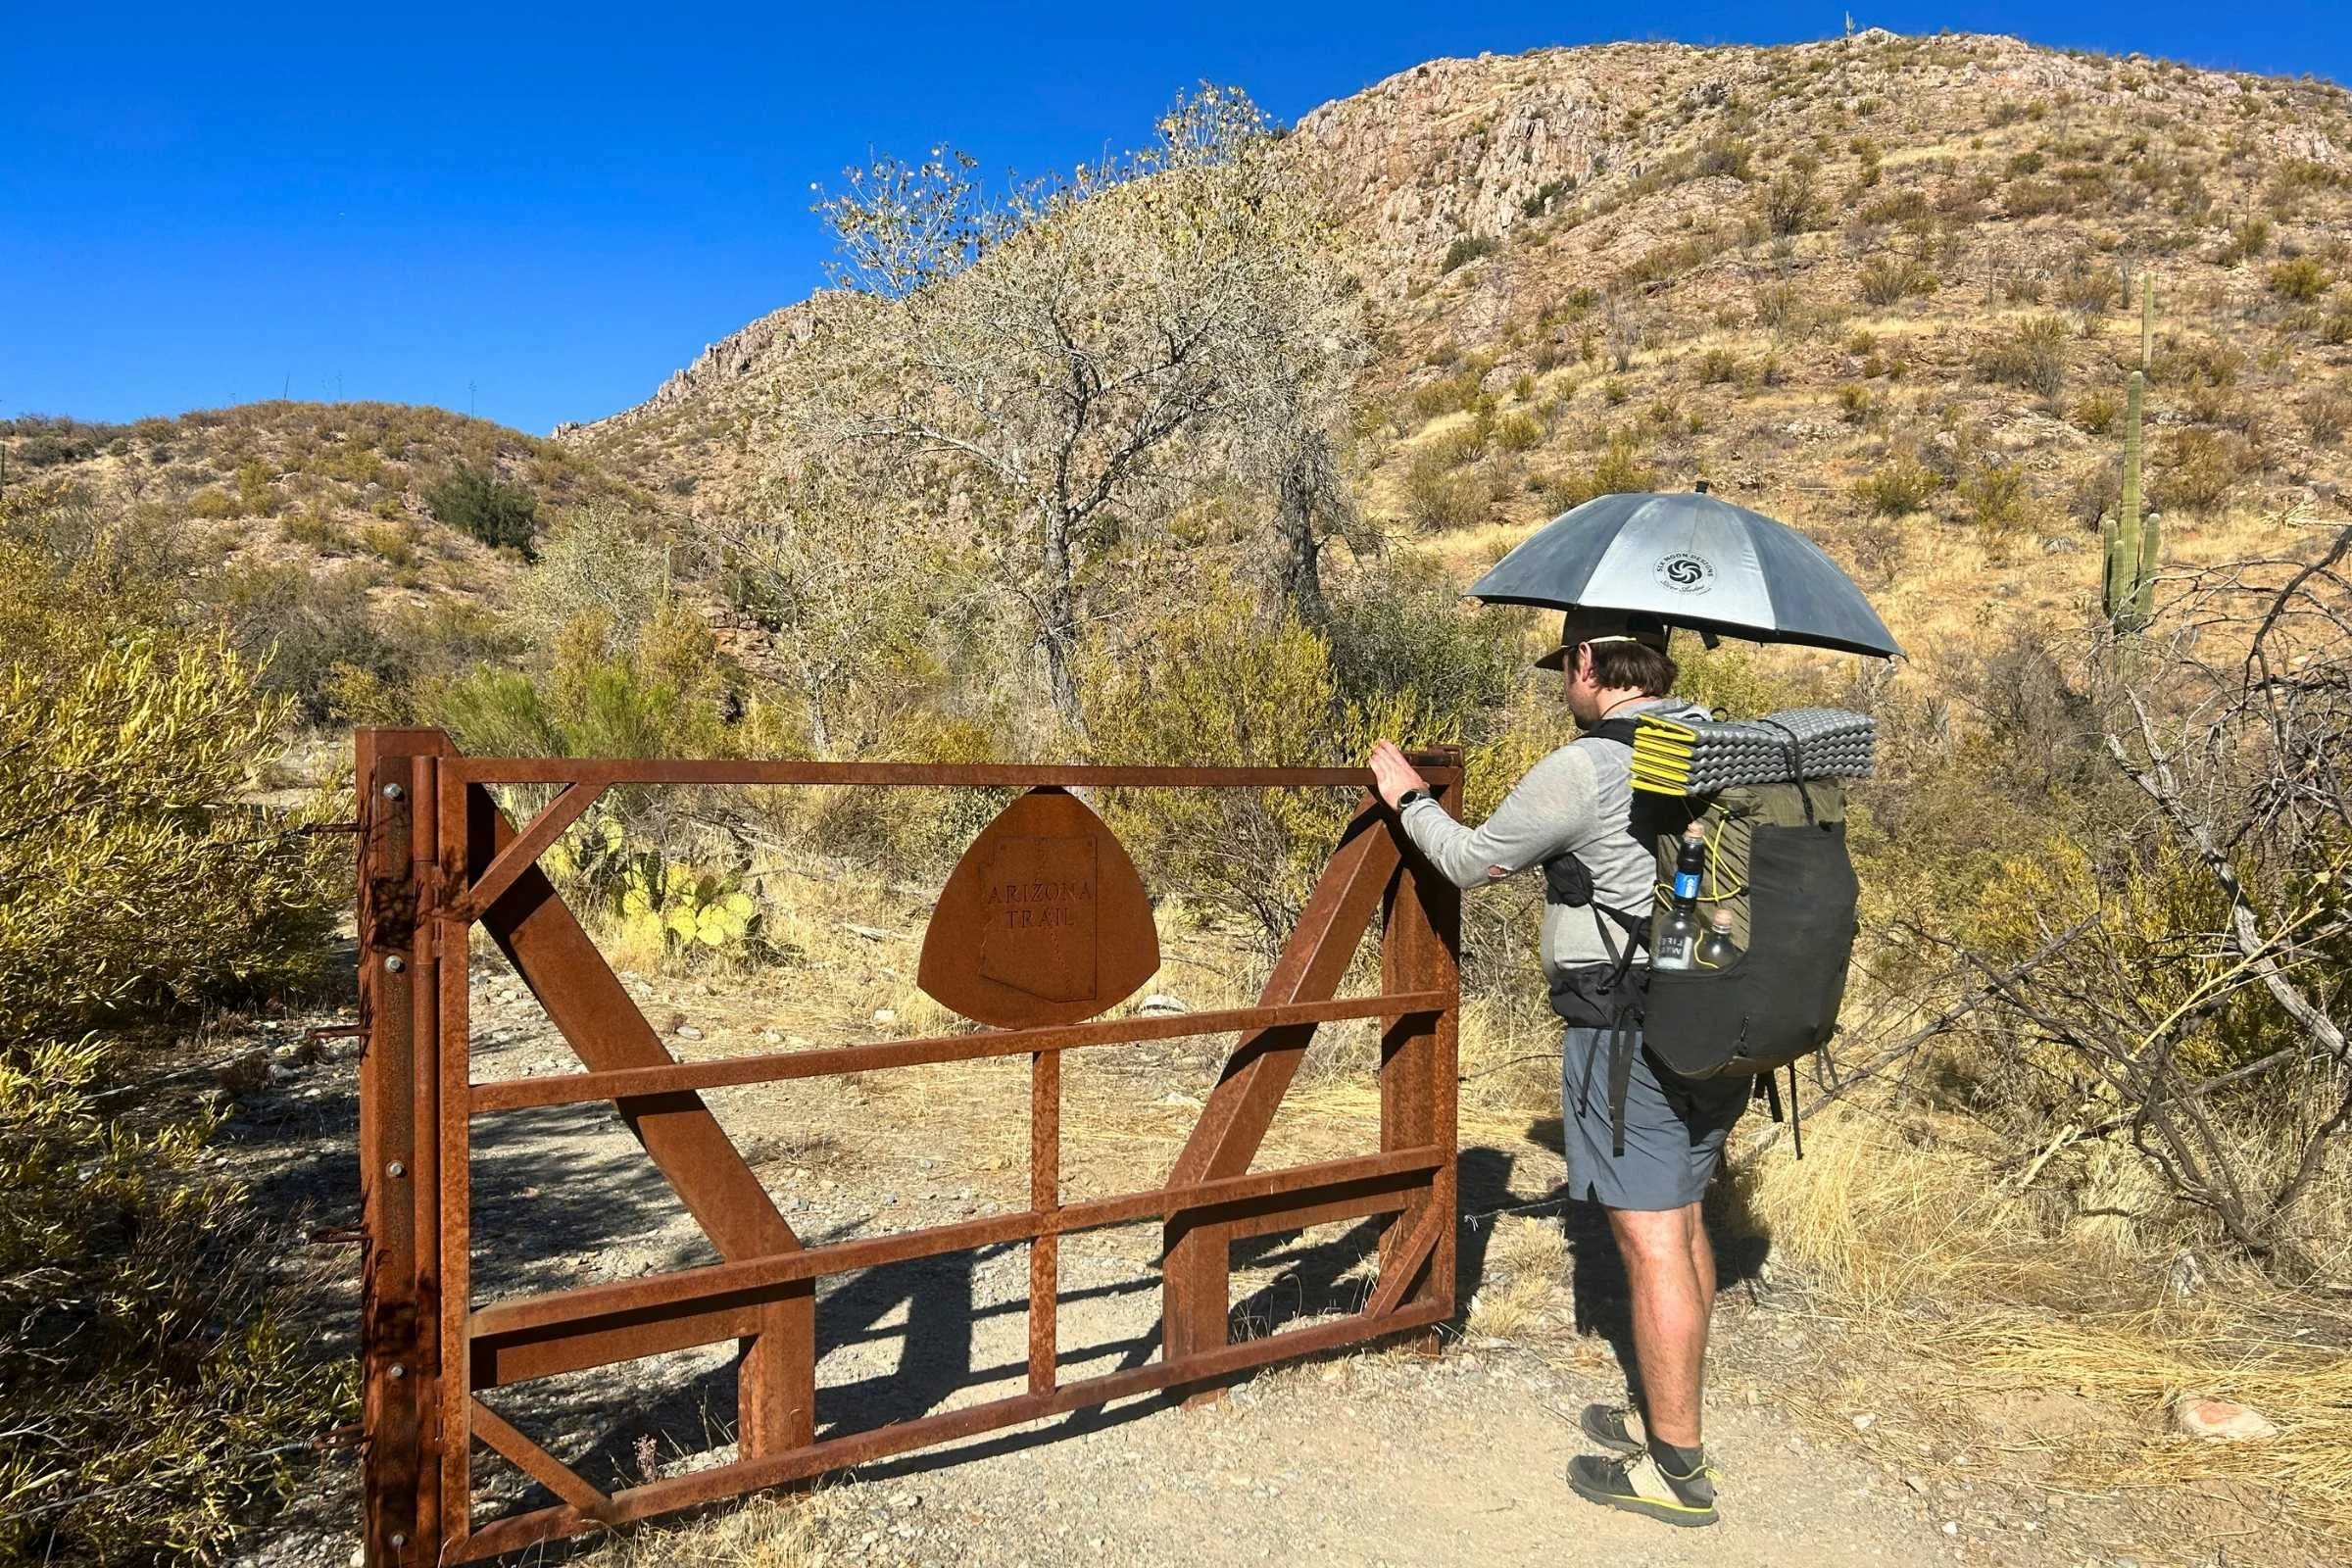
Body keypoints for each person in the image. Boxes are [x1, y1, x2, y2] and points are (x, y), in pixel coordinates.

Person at [1367, 607, 1743, 1530]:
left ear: (1585, 661)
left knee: (1651, 1237)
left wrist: (1408, 797)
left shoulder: (1588, 765)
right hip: (1717, 1017)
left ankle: (1677, 1470)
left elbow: (1470, 862)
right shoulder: (1715, 746)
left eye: (1563, 670)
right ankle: (1664, 1416)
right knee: (1684, 1214)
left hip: (1624, 1029)